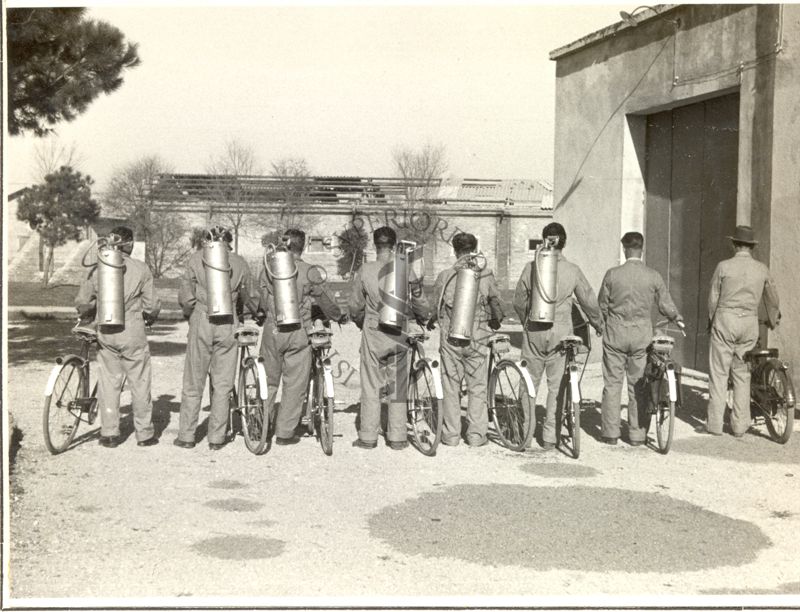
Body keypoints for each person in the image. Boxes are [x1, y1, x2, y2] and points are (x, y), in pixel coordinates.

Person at [513, 222, 603, 450]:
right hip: (562, 333)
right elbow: (588, 300)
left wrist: (527, 320)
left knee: (528, 382)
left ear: (544, 240)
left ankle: (525, 433)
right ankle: (550, 438)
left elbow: (518, 300)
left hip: (534, 329)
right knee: (557, 386)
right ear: (564, 242)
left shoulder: (530, 267)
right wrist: (598, 323)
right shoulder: (572, 270)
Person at [257, 228, 345, 445]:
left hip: (273, 330)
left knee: (267, 380)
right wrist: (339, 316)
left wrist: (262, 315)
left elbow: (260, 299)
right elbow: (326, 300)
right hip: (299, 332)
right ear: (303, 246)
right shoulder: (310, 271)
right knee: (295, 384)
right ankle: (285, 433)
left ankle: (261, 427)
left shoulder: (268, 269)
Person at [75, 226, 160, 448]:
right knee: (139, 381)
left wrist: (88, 316)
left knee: (108, 382)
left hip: (106, 330)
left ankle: (110, 433)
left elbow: (84, 302)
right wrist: (149, 318)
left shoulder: (97, 267)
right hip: (132, 331)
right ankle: (144, 434)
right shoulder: (141, 269)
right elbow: (151, 306)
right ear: (129, 244)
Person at [174, 226, 257, 450]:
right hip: (229, 322)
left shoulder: (195, 259)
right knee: (223, 383)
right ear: (229, 243)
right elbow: (249, 296)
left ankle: (187, 436)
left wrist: (192, 313)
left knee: (193, 381)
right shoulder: (239, 262)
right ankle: (216, 439)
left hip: (202, 318)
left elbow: (186, 296)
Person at [348, 226, 431, 450]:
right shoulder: (405, 268)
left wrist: (360, 322)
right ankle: (397, 437)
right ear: (394, 245)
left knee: (371, 384)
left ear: (375, 245)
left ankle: (368, 436)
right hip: (399, 331)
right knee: (398, 385)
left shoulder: (364, 270)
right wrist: (424, 317)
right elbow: (419, 300)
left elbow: (355, 306)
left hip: (374, 330)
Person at [598, 231, 683, 446]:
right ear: (642, 249)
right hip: (641, 336)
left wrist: (602, 325)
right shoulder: (652, 276)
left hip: (615, 334)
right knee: (639, 385)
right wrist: (677, 317)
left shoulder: (612, 274)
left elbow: (602, 306)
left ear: (624, 249)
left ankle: (610, 433)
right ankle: (637, 435)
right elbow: (665, 303)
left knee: (612, 384)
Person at [430, 232, 504, 447]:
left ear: (455, 251)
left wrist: (431, 321)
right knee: (478, 386)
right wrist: (495, 322)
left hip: (452, 338)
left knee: (451, 386)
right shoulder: (486, 275)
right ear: (474, 249)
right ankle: (476, 435)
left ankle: (451, 435)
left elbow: (435, 306)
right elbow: (497, 305)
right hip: (478, 338)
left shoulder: (446, 276)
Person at [706, 225, 780, 437]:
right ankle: (739, 426)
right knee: (742, 374)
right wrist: (773, 320)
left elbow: (713, 298)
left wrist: (712, 321)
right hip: (749, 322)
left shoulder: (723, 267)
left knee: (719, 373)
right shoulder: (762, 268)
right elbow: (772, 298)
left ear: (734, 244)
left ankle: (714, 425)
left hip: (725, 319)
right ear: (751, 247)